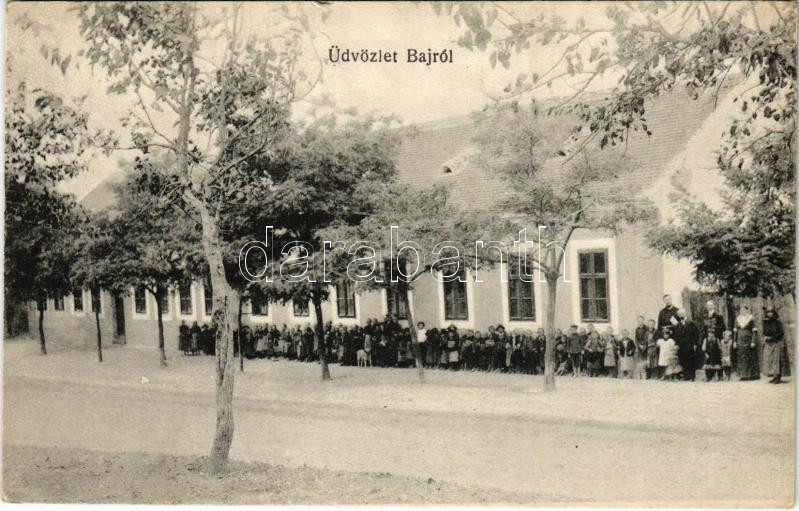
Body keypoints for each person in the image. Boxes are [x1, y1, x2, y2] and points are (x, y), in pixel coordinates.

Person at [735, 305, 759, 381]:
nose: (742, 311)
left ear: (746, 310)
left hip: (748, 339)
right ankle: (742, 375)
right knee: (741, 357)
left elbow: (754, 331)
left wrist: (753, 341)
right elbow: (735, 331)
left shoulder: (750, 318)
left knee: (749, 357)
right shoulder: (737, 319)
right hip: (740, 339)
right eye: (741, 310)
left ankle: (750, 375)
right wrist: (735, 341)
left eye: (744, 310)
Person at [762, 307, 785, 384]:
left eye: (771, 312)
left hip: (776, 342)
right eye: (768, 312)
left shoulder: (778, 322)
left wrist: (772, 337)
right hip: (768, 343)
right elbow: (764, 332)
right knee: (770, 360)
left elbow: (781, 333)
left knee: (776, 360)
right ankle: (774, 376)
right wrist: (765, 336)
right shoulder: (765, 322)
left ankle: (778, 377)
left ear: (774, 313)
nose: (769, 314)